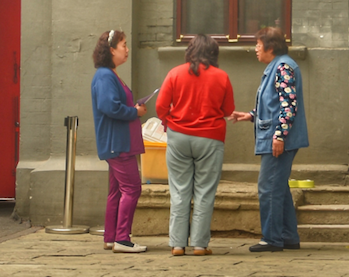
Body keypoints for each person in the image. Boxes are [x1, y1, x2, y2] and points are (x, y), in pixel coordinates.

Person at [156, 34, 235, 257]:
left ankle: (177, 245)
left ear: (190, 51)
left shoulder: (175, 73)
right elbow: (228, 110)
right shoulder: (221, 76)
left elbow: (161, 106)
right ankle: (200, 245)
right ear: (214, 54)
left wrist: (170, 121)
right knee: (205, 191)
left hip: (179, 136)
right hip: (211, 138)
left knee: (179, 191)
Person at [231, 26, 308, 253]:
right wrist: (250, 116)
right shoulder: (277, 66)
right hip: (276, 136)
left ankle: (272, 238)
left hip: (278, 139)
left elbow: (288, 105)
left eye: (258, 45)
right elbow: (274, 103)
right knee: (279, 188)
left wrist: (280, 136)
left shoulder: (283, 67)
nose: (255, 49)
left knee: (268, 188)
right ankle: (288, 236)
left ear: (270, 47)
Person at [90, 29, 148, 253]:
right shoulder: (105, 76)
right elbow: (109, 106)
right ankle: (122, 239)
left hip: (117, 142)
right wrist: (135, 112)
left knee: (116, 191)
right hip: (118, 143)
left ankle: (111, 237)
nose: (127, 49)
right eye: (123, 45)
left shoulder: (108, 74)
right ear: (112, 50)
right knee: (132, 188)